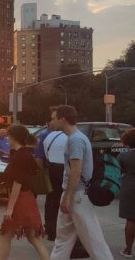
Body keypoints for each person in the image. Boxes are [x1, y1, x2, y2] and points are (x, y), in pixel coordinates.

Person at [50, 105, 113, 259]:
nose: (50, 122)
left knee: (93, 239)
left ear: (62, 119)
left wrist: (67, 197)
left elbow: (76, 171)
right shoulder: (76, 138)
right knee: (63, 240)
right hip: (75, 195)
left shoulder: (76, 140)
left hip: (78, 196)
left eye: (53, 119)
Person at [0, 125, 49, 260]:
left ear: (14, 138)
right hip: (28, 199)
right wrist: (3, 185)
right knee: (33, 237)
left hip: (20, 200)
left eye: (9, 136)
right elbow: (21, 178)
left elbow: (18, 183)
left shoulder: (21, 156)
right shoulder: (23, 154)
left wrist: (10, 209)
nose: (7, 139)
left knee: (5, 236)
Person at [34, 111, 68, 242]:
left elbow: (39, 159)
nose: (52, 122)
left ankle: (50, 229)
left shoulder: (44, 137)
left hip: (51, 169)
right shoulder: (70, 136)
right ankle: (62, 229)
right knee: (63, 200)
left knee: (51, 201)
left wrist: (43, 174)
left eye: (54, 119)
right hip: (64, 169)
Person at [118, 129, 135, 258]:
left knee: (131, 219)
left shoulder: (123, 156)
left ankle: (128, 250)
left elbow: (116, 171)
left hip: (129, 187)